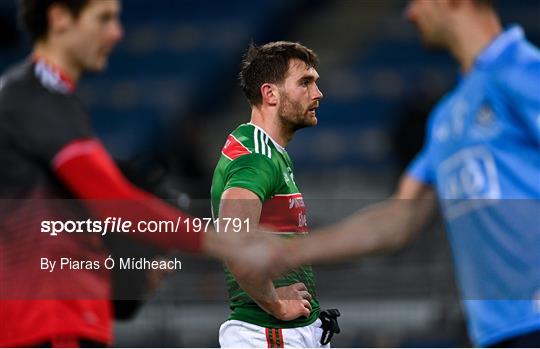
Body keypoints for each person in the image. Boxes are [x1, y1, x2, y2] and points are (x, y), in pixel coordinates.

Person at [0, 0, 279, 346]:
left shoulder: (46, 100)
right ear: (59, 18)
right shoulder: (32, 99)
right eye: (103, 19)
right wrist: (227, 241)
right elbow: (114, 201)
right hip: (48, 323)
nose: (116, 33)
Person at [276, 0, 540, 347]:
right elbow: (399, 218)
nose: (410, 13)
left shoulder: (522, 70)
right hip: (496, 336)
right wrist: (288, 252)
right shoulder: (447, 117)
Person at [211, 41, 336, 348]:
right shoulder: (257, 156)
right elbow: (232, 238)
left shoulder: (267, 151)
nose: (317, 94)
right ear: (270, 94)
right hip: (270, 334)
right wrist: (276, 304)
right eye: (305, 83)